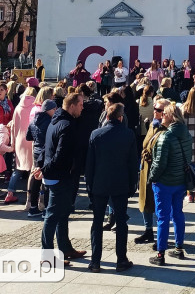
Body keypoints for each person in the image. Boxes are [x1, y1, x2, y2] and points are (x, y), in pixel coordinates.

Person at [85, 102, 137, 273]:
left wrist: (89, 186)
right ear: (121, 118)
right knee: (121, 222)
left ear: (107, 117)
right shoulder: (128, 134)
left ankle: (95, 261)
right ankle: (121, 259)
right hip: (120, 183)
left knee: (97, 222)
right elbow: (132, 163)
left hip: (99, 183)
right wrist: (132, 184)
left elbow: (90, 164)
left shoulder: (96, 134)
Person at [40, 92, 85, 264]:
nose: (82, 107)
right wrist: (44, 169)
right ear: (72, 105)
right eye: (80, 104)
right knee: (53, 215)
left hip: (56, 174)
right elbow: (60, 155)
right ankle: (47, 256)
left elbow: (46, 148)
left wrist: (41, 166)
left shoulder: (57, 121)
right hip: (59, 176)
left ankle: (65, 249)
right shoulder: (66, 125)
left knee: (62, 213)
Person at [148, 102, 193, 265]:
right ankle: (179, 247)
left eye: (164, 114)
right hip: (180, 180)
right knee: (178, 213)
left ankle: (160, 253)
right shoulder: (186, 134)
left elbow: (159, 163)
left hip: (165, 182)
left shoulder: (165, 137)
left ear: (171, 117)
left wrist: (152, 177)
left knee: (162, 217)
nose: (161, 116)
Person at [135, 98, 167, 245]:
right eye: (155, 108)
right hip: (145, 168)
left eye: (159, 110)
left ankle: (162, 236)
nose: (155, 111)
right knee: (145, 200)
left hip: (158, 171)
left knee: (159, 205)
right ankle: (148, 230)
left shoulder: (167, 129)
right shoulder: (153, 125)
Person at [27, 98, 58, 218]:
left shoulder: (33, 121)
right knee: (46, 179)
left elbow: (28, 137)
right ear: (48, 110)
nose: (55, 111)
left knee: (36, 179)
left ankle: (33, 207)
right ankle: (45, 208)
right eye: (54, 109)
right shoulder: (51, 122)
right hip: (45, 153)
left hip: (36, 152)